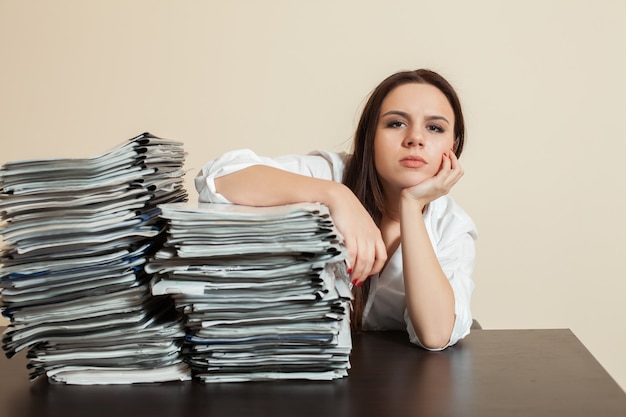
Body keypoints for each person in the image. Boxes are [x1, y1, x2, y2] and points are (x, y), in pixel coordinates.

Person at [194, 69, 477, 350]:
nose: (415, 138)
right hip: (295, 357)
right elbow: (219, 177)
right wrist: (336, 195)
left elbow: (436, 335)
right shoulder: (330, 174)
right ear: (370, 136)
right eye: (396, 124)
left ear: (453, 146)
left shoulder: (452, 226)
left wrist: (412, 205)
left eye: (435, 128)